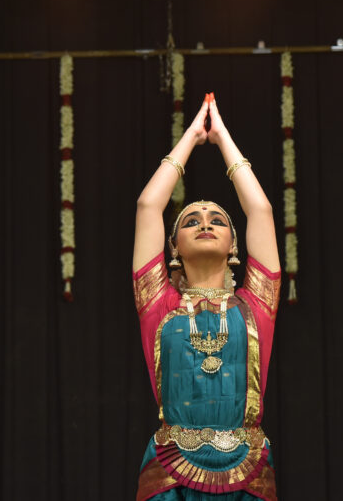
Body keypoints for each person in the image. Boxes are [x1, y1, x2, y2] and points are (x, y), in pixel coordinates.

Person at [132, 92, 281, 500]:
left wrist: (222, 138)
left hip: (250, 469)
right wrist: (193, 136)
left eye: (217, 220)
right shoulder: (158, 303)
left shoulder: (256, 304)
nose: (205, 224)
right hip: (169, 469)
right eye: (191, 221)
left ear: (234, 245)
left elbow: (261, 212)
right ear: (173, 247)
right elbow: (148, 206)